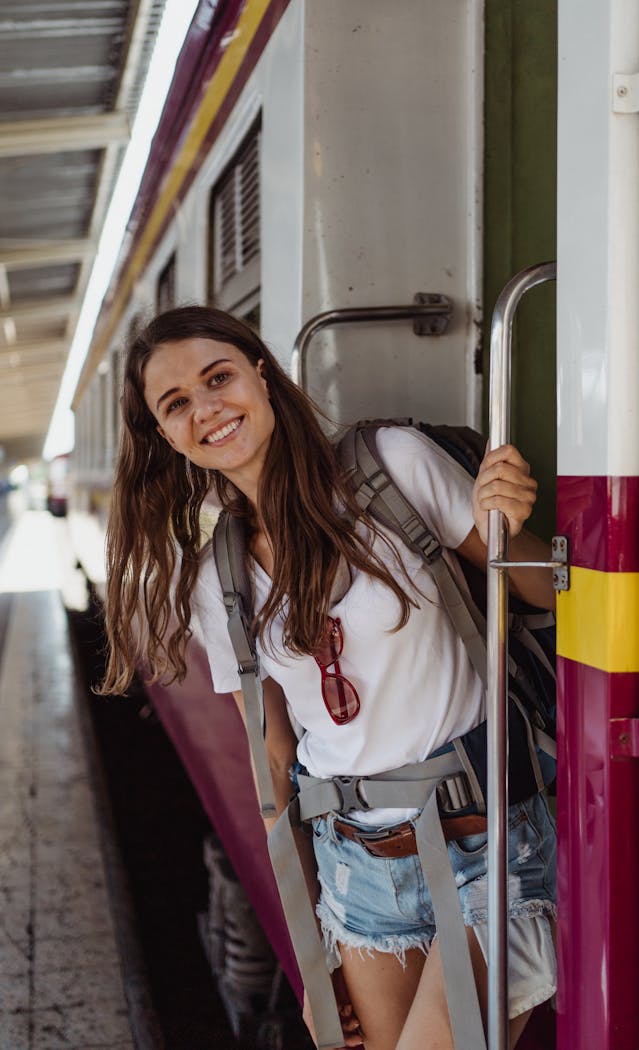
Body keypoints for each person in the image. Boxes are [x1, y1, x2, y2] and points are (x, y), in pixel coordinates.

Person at [102, 305, 557, 1050]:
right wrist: (313, 963)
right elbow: (274, 769)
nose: (206, 408)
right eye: (176, 404)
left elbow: (542, 590)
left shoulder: (391, 466)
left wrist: (508, 527)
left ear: (260, 373)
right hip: (359, 874)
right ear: (163, 436)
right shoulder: (219, 580)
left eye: (218, 377)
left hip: (487, 840)